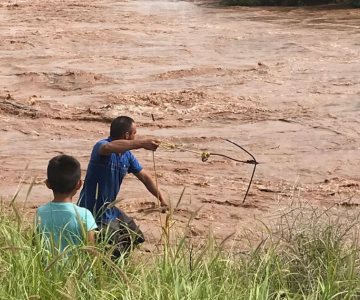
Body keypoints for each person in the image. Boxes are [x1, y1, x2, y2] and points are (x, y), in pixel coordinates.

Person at [77, 116, 167, 257]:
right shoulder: (101, 146)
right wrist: (142, 143)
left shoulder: (128, 156)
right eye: (134, 133)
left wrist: (161, 199)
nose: (135, 136)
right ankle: (107, 267)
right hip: (94, 210)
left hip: (110, 208)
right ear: (126, 135)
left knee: (134, 236)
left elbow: (144, 177)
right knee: (113, 246)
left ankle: (116, 264)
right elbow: (109, 147)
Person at [36, 155, 97, 252]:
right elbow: (92, 253)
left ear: (48, 184)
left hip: (47, 267)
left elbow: (36, 247)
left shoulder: (40, 213)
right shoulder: (84, 215)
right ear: (79, 184)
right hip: (77, 267)